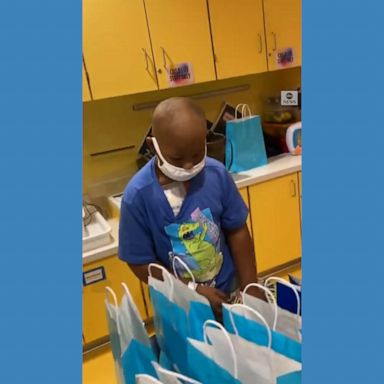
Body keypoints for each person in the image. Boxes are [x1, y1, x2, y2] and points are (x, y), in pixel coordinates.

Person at [118, 97, 263, 319]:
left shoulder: (216, 176)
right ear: (153, 146)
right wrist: (191, 290)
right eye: (177, 158)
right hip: (178, 305)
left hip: (228, 296)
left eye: (197, 154)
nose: (189, 165)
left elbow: (238, 231)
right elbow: (139, 262)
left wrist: (251, 287)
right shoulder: (138, 196)